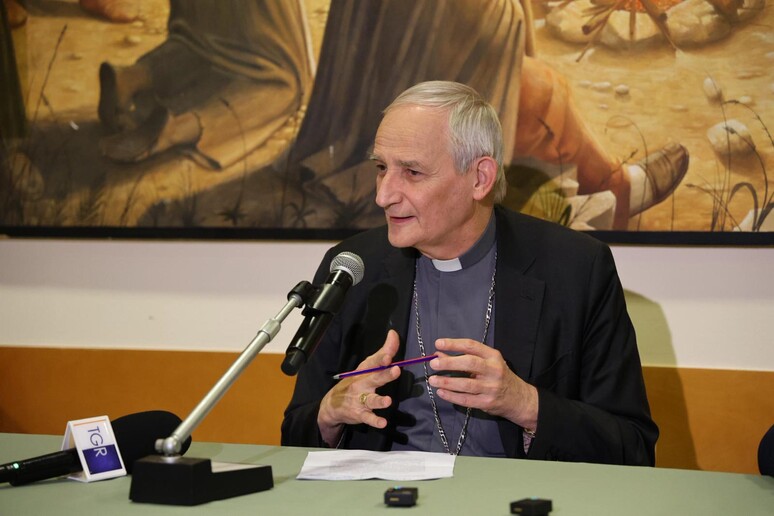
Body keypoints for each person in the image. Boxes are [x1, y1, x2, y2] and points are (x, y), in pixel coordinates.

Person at [281, 81, 658, 465]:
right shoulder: (351, 267)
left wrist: (525, 403)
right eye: (381, 168)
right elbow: (294, 436)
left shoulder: (575, 268)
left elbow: (633, 449)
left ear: (480, 178)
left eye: (412, 172)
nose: (383, 195)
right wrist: (329, 413)